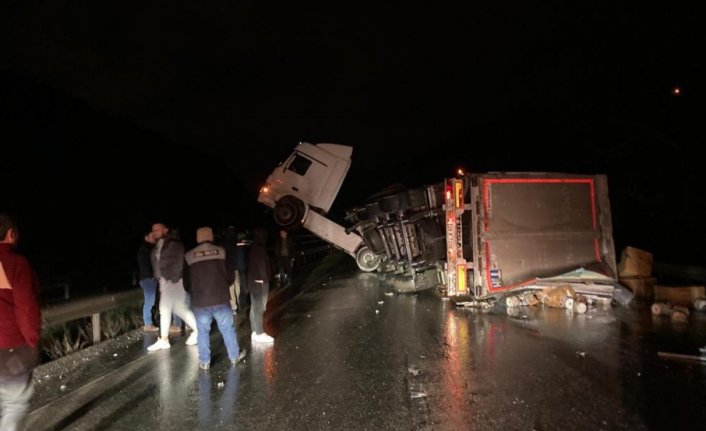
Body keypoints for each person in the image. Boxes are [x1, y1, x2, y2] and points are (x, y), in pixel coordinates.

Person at [0, 213, 41, 431]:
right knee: (14, 405)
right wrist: (32, 339)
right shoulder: (15, 263)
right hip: (10, 347)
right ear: (11, 234)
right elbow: (26, 307)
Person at [185, 227, 246, 370]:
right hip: (221, 299)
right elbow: (230, 276)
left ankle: (205, 362)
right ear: (211, 237)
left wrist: (195, 293)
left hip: (200, 302)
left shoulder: (188, 256)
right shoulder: (221, 252)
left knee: (203, 331)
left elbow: (186, 283)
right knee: (227, 329)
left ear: (197, 238)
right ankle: (234, 356)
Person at [147, 222, 198, 351]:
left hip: (173, 281)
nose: (155, 231)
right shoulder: (157, 245)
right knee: (179, 308)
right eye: (153, 230)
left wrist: (173, 278)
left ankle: (164, 340)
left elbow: (180, 261)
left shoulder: (175, 244)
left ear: (166, 230)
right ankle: (199, 330)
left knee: (164, 308)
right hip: (163, 282)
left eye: (158, 229)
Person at [247, 228, 274, 343]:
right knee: (260, 307)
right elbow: (262, 265)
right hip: (260, 282)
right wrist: (265, 279)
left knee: (254, 307)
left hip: (252, 281)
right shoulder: (260, 249)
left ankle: (254, 331)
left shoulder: (252, 248)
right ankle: (259, 333)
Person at [136, 232, 158, 332]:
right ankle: (148, 324)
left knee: (150, 301)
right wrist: (152, 275)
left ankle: (149, 322)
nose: (154, 238)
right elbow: (145, 265)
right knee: (149, 301)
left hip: (148, 278)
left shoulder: (149, 249)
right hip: (147, 278)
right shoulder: (145, 250)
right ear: (146, 237)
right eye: (152, 236)